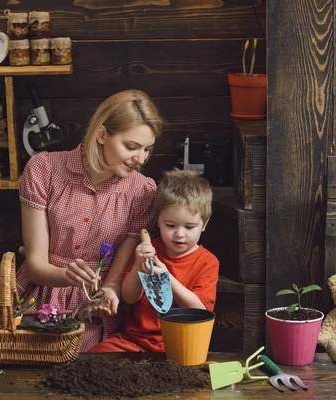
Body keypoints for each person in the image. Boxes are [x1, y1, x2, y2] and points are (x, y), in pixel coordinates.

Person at [16, 89, 163, 351]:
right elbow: (36, 265)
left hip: (93, 309)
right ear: (102, 134)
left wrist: (108, 292)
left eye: (147, 149)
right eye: (131, 147)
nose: (140, 159)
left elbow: (114, 280)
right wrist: (67, 275)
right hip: (38, 298)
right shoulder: (43, 169)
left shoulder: (143, 191)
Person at [89, 169, 219, 352]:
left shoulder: (207, 262)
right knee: (97, 354)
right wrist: (138, 269)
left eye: (189, 227)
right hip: (133, 340)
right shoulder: (149, 249)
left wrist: (167, 278)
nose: (179, 234)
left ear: (204, 224)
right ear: (158, 221)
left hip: (180, 344)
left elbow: (200, 311)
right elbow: (129, 297)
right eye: (170, 225)